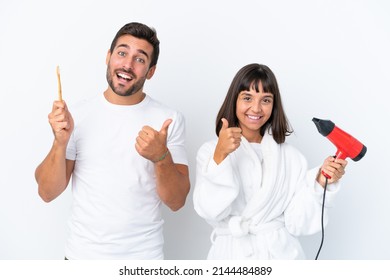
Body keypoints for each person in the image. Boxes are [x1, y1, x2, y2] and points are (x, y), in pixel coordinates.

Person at [35, 22, 190, 260]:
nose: (127, 64)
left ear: (151, 71)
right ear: (108, 57)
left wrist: (161, 157)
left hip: (143, 260)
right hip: (81, 258)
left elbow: (177, 201)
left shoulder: (168, 120)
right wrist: (60, 142)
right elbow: (47, 192)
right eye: (122, 53)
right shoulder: (77, 116)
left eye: (140, 59)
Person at [193, 63, 347, 259]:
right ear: (234, 101)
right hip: (230, 255)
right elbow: (209, 210)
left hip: (280, 256)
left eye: (265, 100)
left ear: (274, 105)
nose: (256, 108)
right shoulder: (209, 151)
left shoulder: (292, 158)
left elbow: (298, 223)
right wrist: (220, 155)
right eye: (247, 98)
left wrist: (320, 183)